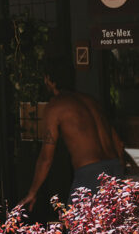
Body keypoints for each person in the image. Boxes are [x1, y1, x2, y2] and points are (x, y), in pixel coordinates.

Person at [18, 58, 124, 210]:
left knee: (77, 226)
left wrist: (32, 192)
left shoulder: (55, 107)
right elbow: (119, 144)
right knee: (112, 228)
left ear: (49, 80)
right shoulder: (92, 102)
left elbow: (46, 158)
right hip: (115, 167)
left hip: (90, 173)